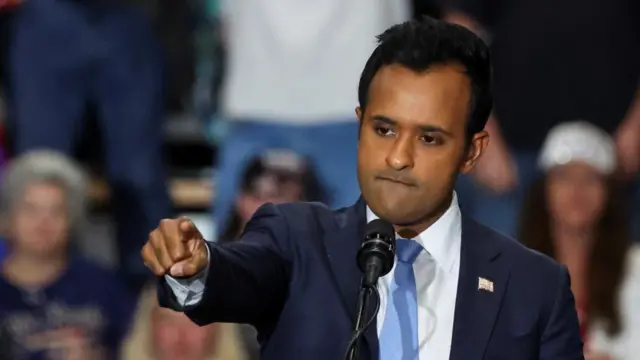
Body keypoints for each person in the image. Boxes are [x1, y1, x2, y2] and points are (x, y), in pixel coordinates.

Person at [142, 17, 583, 359]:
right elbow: (236, 274)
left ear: (472, 151)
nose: (397, 157)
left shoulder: (533, 287)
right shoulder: (297, 240)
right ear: (360, 125)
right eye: (384, 129)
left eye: (429, 138)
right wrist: (197, 269)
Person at [443, 0, 640, 238]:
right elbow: (459, 32)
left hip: (616, 153)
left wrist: (637, 126)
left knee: (620, 271)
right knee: (497, 269)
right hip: (511, 151)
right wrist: (481, 127)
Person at [519, 121, 640, 360]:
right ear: (544, 190)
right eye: (564, 178)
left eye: (590, 179)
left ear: (608, 194)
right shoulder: (510, 269)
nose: (577, 190)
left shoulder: (636, 267)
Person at [0, 150, 135, 359]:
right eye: (30, 209)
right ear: (6, 219)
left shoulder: (105, 288)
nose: (43, 223)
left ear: (72, 221)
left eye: (56, 211)